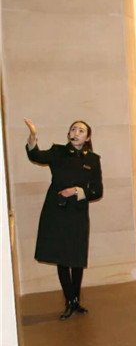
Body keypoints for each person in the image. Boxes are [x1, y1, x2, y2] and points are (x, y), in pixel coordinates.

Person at [25, 118, 103, 320]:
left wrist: (76, 190)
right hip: (57, 211)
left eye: (81, 130)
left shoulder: (93, 159)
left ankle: (75, 300)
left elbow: (97, 191)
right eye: (73, 129)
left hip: (78, 213)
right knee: (62, 257)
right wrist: (33, 136)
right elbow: (36, 155)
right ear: (69, 134)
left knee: (76, 258)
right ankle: (70, 301)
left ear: (88, 137)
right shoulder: (58, 152)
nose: (76, 132)